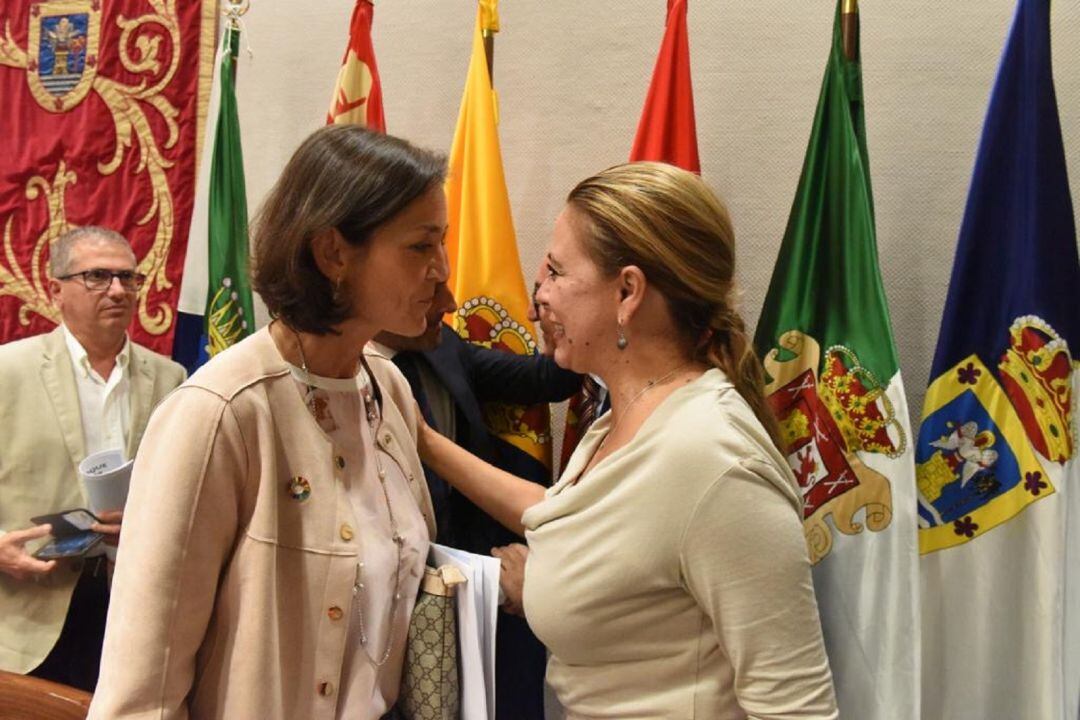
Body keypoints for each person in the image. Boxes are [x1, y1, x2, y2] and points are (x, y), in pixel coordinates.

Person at [420, 162, 839, 718]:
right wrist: (420, 436)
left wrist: (544, 578)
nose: (536, 299)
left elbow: (797, 709)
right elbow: (582, 520)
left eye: (555, 273)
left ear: (628, 292)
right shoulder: (628, 418)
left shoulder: (716, 463)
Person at [88, 126, 447, 720]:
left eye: (443, 243)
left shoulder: (387, 388)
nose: (441, 270)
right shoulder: (221, 411)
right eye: (420, 246)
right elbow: (140, 693)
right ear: (333, 253)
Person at [373, 280, 578, 720]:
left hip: (470, 581)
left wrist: (566, 314)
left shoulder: (440, 343)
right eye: (432, 292)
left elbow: (545, 380)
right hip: (388, 603)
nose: (450, 305)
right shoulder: (344, 378)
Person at [0, 226, 186, 691]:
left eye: (129, 278)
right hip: (27, 613)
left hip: (133, 607)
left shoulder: (171, 378)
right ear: (55, 289)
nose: (119, 291)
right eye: (98, 277)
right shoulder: (9, 370)